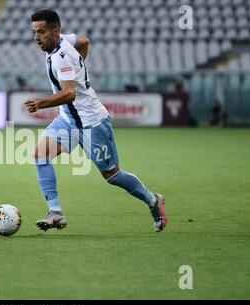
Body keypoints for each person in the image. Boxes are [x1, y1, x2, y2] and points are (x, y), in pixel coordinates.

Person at [25, 10, 167, 232]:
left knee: (112, 176)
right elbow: (84, 41)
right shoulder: (64, 40)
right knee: (40, 154)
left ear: (55, 31)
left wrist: (41, 103)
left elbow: (69, 93)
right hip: (69, 120)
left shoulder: (62, 57)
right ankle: (55, 212)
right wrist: (80, 67)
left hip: (92, 122)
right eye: (34, 32)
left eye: (41, 32)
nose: (36, 37)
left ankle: (152, 200)